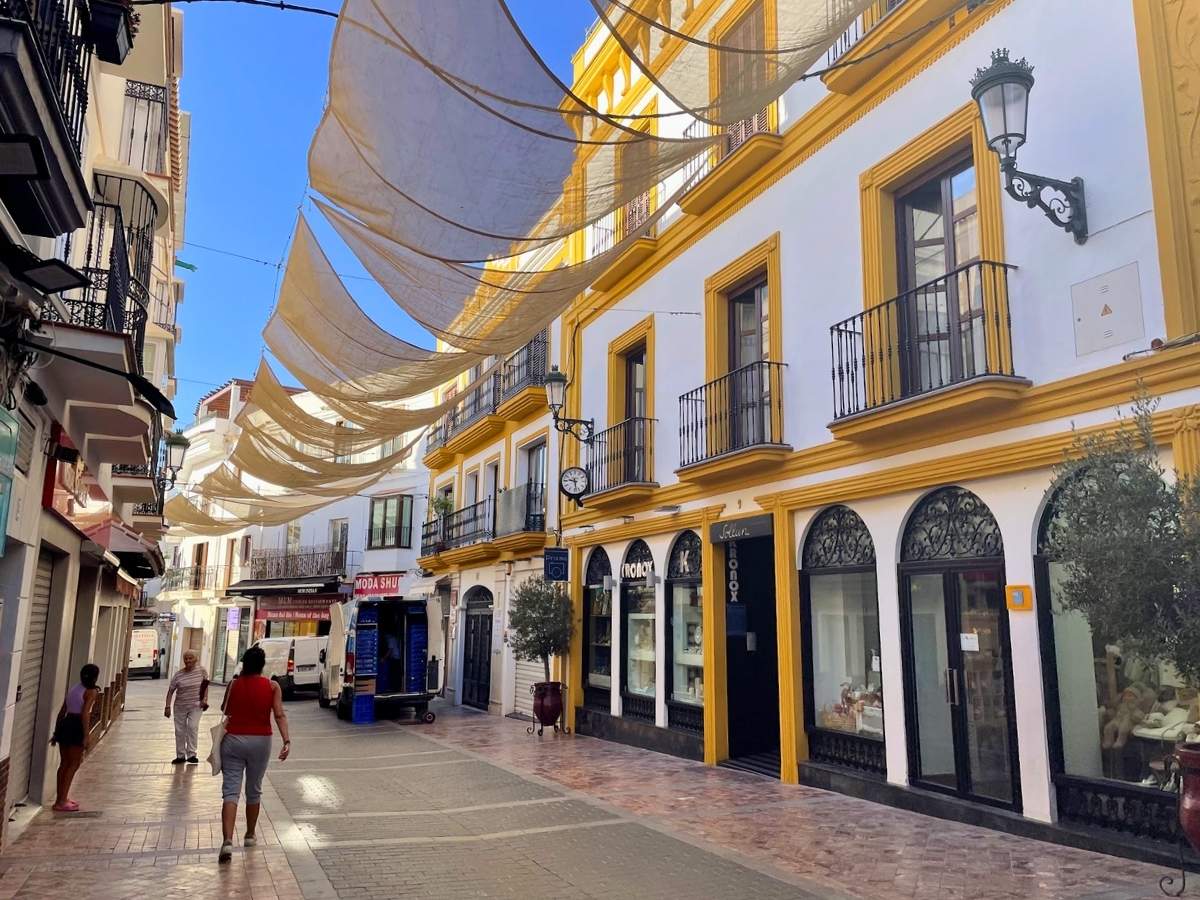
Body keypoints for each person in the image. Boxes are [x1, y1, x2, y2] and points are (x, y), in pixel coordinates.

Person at [217, 646, 290, 863]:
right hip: (260, 740)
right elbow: (278, 714)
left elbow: (225, 708)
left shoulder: (233, 684)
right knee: (254, 789)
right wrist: (286, 740)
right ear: (262, 665)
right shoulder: (272, 686)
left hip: (233, 740)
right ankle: (249, 835)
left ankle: (227, 841)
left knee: (230, 791)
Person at [49, 664, 99, 812]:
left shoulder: (74, 688)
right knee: (74, 764)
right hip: (76, 726)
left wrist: (56, 732)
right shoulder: (91, 692)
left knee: (64, 764)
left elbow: (62, 710)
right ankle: (62, 800)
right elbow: (85, 714)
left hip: (66, 724)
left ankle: (60, 799)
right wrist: (86, 735)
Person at [164, 649, 209, 764]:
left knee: (193, 727)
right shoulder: (178, 675)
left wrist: (205, 700)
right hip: (180, 706)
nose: (188, 660)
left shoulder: (202, 671)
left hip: (196, 705)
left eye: (190, 658)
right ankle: (180, 755)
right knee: (180, 731)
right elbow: (170, 691)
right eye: (186, 658)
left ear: (196, 659)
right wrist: (167, 706)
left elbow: (205, 686)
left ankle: (192, 754)